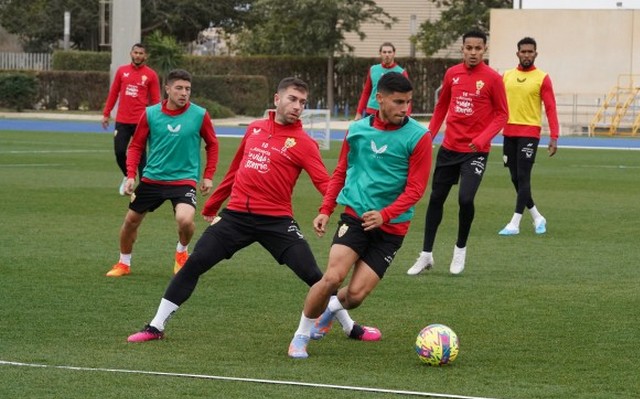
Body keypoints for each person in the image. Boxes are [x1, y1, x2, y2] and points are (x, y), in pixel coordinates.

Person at [126, 77, 374, 343]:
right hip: (235, 218)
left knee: (314, 276)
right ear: (277, 99)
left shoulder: (304, 143)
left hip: (277, 222)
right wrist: (213, 204)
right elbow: (235, 170)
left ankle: (350, 326)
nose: (297, 106)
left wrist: (348, 208)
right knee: (194, 263)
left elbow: (325, 182)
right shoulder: (255, 129)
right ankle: (155, 326)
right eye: (292, 99)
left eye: (302, 102)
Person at [288, 72, 432, 359]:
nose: (405, 108)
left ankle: (331, 310)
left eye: (408, 102)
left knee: (354, 296)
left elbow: (416, 189)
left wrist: (385, 215)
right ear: (379, 98)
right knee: (332, 278)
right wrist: (326, 209)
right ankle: (300, 336)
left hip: (392, 228)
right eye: (398, 102)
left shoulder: (419, 136)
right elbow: (341, 171)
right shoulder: (356, 130)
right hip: (355, 217)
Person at [406, 29, 508, 276]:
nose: (473, 52)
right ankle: (426, 255)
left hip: (475, 152)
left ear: (484, 49)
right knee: (436, 199)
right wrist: (429, 135)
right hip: (449, 148)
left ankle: (460, 249)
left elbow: (502, 114)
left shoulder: (493, 79)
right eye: (469, 48)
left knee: (465, 199)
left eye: (478, 48)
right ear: (462, 49)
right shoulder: (452, 74)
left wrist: (481, 139)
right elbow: (442, 107)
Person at [105, 69, 219, 277]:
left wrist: (208, 175)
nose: (184, 93)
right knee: (130, 222)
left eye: (188, 89)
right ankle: (123, 263)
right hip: (152, 179)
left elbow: (212, 144)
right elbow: (136, 146)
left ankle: (181, 252)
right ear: (167, 89)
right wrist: (130, 175)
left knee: (185, 220)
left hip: (183, 180)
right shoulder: (150, 114)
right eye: (179, 88)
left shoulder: (199, 115)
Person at [497, 37, 559, 236]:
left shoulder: (542, 78)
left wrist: (554, 136)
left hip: (529, 133)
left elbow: (550, 108)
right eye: (523, 52)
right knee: (515, 178)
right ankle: (537, 216)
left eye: (530, 52)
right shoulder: (506, 76)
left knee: (524, 177)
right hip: (509, 133)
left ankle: (514, 223)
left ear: (535, 54)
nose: (526, 55)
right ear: (518, 54)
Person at [102, 43, 161, 195]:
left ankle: (143, 189)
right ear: (131, 53)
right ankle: (128, 176)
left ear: (145, 56)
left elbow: (155, 100)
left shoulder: (151, 75)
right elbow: (114, 93)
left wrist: (157, 120)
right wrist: (106, 113)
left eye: (141, 53)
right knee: (120, 152)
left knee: (141, 155)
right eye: (136, 52)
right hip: (122, 120)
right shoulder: (122, 71)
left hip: (141, 121)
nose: (138, 56)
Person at [353, 42, 410, 120]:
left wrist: (407, 115)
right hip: (371, 111)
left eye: (389, 52)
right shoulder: (373, 69)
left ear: (394, 53)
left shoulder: (401, 72)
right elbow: (366, 92)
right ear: (380, 53)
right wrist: (359, 112)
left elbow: (407, 96)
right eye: (384, 52)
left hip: (390, 112)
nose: (387, 55)